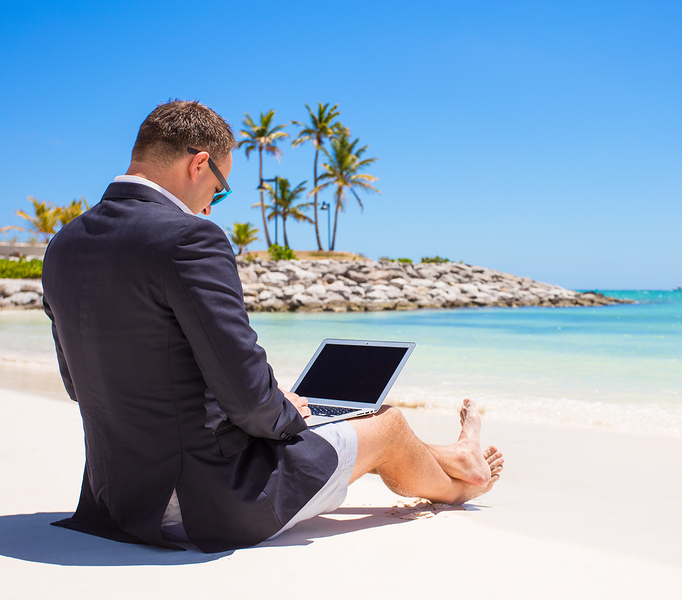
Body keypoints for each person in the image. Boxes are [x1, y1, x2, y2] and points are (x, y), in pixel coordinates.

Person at [42, 100, 503, 553]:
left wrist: (264, 402)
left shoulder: (63, 243)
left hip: (119, 499)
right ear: (199, 164)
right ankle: (466, 485)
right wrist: (288, 414)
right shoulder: (189, 238)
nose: (210, 207)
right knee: (388, 424)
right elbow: (246, 399)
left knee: (322, 416)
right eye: (219, 190)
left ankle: (456, 455)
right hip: (206, 503)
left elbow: (80, 385)